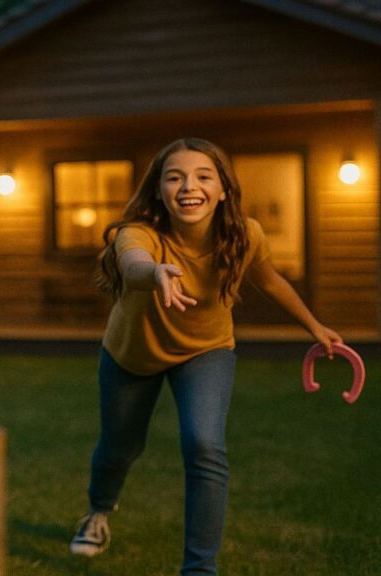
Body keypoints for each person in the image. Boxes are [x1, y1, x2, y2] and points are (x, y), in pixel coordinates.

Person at [69, 138, 341, 574]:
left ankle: (200, 569)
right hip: (133, 354)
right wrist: (155, 272)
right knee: (119, 448)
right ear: (158, 190)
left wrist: (313, 324)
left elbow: (269, 281)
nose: (188, 186)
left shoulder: (244, 234)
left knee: (204, 444)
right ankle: (98, 512)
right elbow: (133, 262)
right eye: (173, 177)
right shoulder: (138, 234)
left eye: (202, 176)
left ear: (223, 190)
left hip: (206, 350)